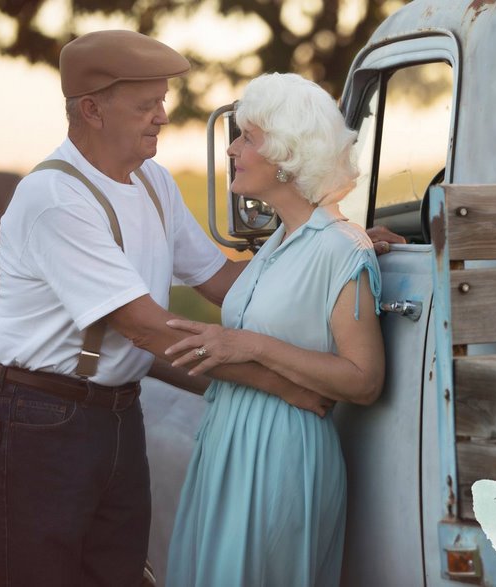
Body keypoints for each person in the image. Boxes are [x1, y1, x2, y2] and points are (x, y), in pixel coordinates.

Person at [0, 30, 401, 587]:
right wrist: (284, 384)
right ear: (92, 109)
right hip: (42, 416)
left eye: (163, 101)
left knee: (118, 571)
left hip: (118, 413)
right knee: (40, 575)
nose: (162, 115)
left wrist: (326, 248)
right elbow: (146, 328)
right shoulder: (55, 199)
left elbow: (227, 281)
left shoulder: (153, 183)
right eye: (146, 105)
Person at [163, 72, 384, 586]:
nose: (234, 149)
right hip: (230, 440)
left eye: (248, 137)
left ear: (287, 154)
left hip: (282, 452)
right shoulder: (278, 244)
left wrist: (249, 345)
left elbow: (364, 380)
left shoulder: (340, 248)